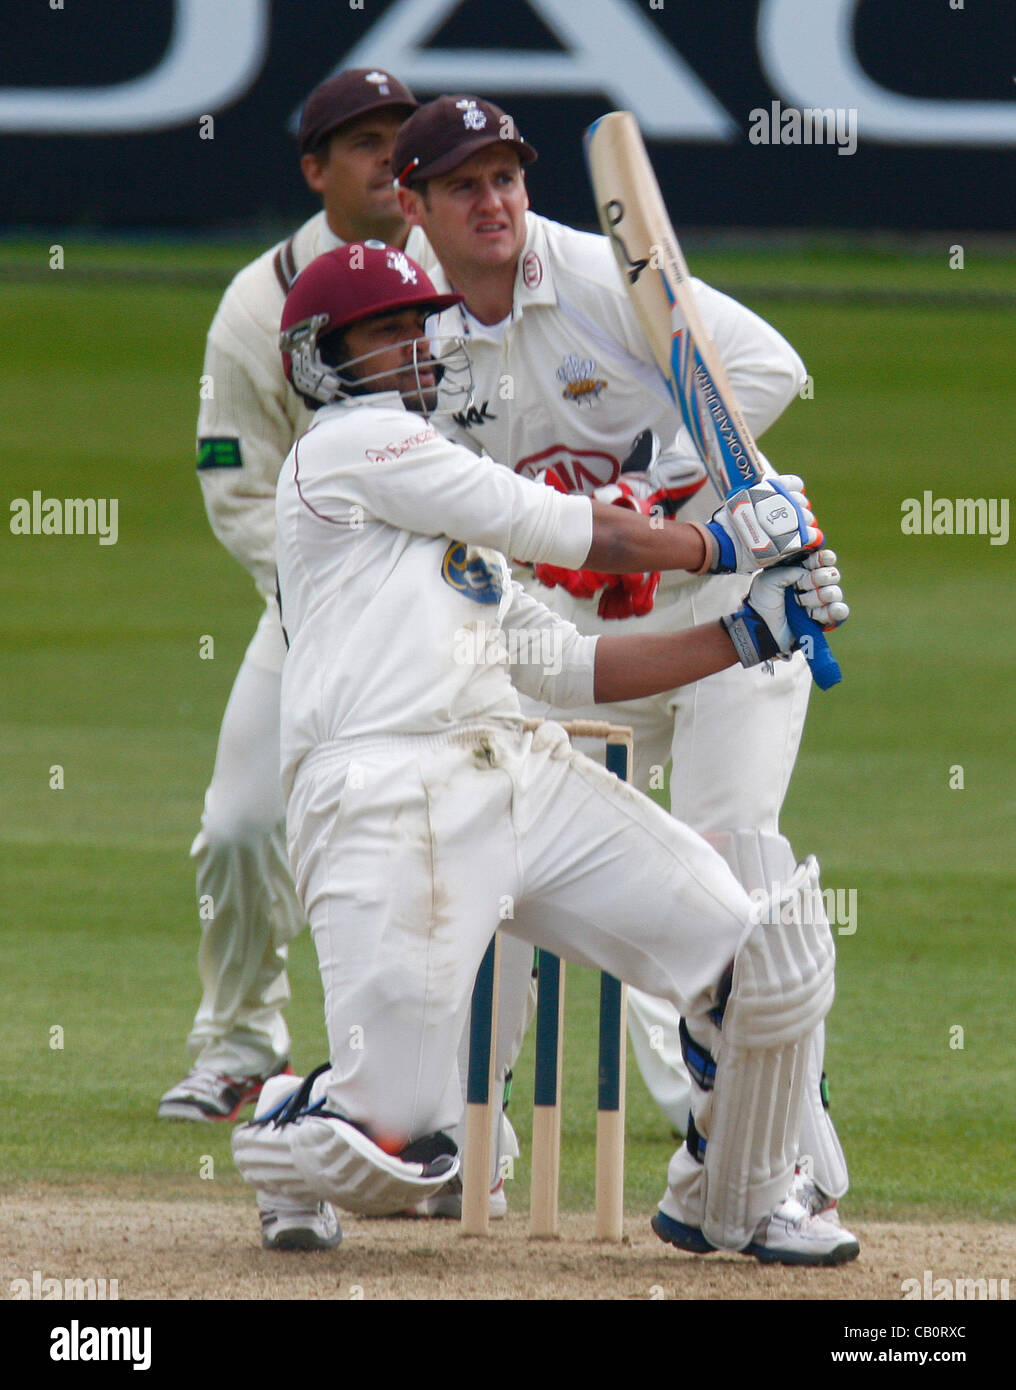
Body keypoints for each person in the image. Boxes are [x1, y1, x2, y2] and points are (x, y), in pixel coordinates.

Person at [229, 240, 856, 1267]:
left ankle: (732, 1199)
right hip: (385, 792)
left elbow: (562, 666)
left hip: (516, 768)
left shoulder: (445, 522)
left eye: (415, 330)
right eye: (381, 333)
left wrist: (747, 632)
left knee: (761, 965)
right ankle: (287, 1123)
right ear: (316, 360)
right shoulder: (347, 448)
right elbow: (572, 530)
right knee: (401, 1148)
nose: (411, 351)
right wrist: (724, 541)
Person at [389, 96, 850, 1213]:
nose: (493, 202)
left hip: (721, 597)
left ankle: (744, 1162)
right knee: (490, 860)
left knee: (733, 858)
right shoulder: (408, 328)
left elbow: (769, 369)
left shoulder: (597, 276)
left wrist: (663, 497)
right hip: (560, 632)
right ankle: (454, 1141)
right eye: (463, 186)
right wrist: (593, 533)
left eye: (504, 177)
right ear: (413, 206)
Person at [159, 69, 428, 1128]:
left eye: (400, 139)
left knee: (531, 843)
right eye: (363, 143)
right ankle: (234, 1045)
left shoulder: (474, 261)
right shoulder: (259, 301)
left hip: (475, 625)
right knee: (238, 826)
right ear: (315, 169)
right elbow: (236, 483)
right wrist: (340, 595)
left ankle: (678, 1076)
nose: (388, 160)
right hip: (312, 620)